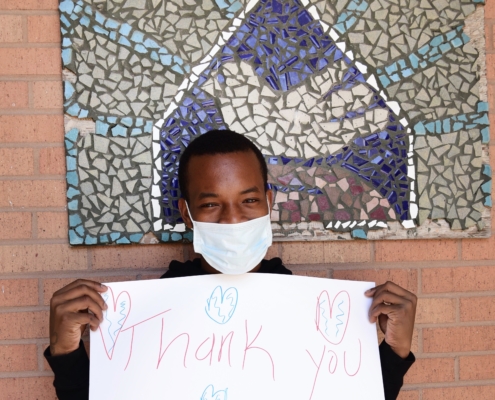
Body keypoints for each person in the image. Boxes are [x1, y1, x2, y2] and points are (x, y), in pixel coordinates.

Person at [45, 129, 416, 399]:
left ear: (269, 202)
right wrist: (66, 352)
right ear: (187, 215)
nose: (232, 220)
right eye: (210, 204)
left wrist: (394, 350)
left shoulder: (314, 315)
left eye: (249, 201)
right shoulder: (144, 320)